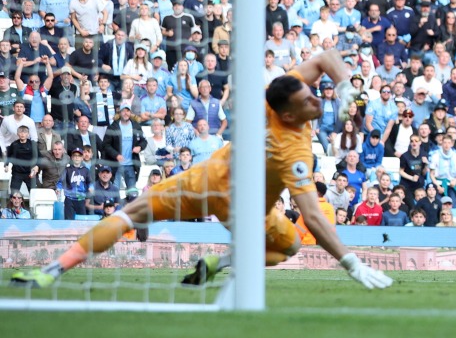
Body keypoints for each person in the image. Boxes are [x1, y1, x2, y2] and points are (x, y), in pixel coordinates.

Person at [12, 51, 393, 290]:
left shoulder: (272, 102)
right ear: (290, 115)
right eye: (309, 99)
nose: (316, 96)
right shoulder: (292, 148)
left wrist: (344, 88)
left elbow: (325, 59)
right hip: (242, 210)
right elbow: (311, 214)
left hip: (203, 182)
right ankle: (223, 261)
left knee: (130, 214)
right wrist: (350, 261)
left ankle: (51, 272)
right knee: (289, 245)